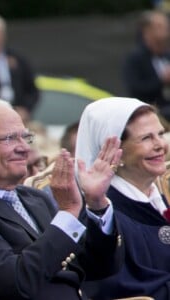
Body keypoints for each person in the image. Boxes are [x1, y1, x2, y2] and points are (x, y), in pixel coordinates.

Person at [0, 98, 124, 300]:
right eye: (9, 138)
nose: (25, 148)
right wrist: (68, 214)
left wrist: (97, 203)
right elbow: (13, 283)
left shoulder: (36, 198)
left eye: (25, 137)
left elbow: (100, 267)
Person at [75, 97, 170, 299]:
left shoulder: (160, 198)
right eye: (146, 138)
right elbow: (122, 288)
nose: (160, 144)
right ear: (115, 152)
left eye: (160, 134)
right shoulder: (103, 217)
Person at [123, 10, 170, 121]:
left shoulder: (166, 55)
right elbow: (136, 89)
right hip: (150, 114)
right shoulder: (135, 58)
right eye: (160, 26)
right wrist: (162, 80)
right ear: (146, 31)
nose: (166, 30)